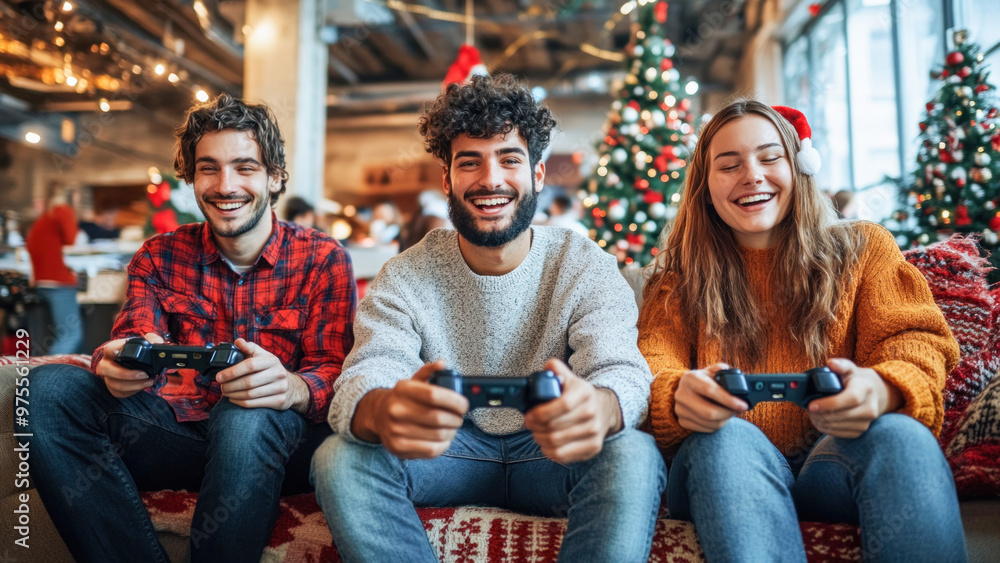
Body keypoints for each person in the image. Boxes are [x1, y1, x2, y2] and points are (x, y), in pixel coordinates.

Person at [311, 73, 665, 562]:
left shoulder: (584, 264)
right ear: (447, 180)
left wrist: (600, 408)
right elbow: (366, 373)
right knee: (339, 457)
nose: (491, 180)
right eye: (469, 162)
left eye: (509, 159)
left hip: (553, 452)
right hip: (445, 451)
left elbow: (621, 370)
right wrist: (383, 410)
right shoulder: (405, 274)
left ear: (538, 174)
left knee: (632, 452)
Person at [25, 93, 357, 562]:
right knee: (46, 390)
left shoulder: (323, 258)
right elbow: (132, 335)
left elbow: (336, 371)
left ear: (275, 177)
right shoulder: (158, 255)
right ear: (191, 178)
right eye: (208, 169)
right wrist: (116, 359)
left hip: (274, 446)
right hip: (176, 435)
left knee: (246, 411)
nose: (225, 185)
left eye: (245, 167)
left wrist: (291, 387)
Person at [637, 100, 965, 562]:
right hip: (725, 463)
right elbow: (651, 365)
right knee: (724, 440)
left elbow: (914, 339)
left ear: (799, 167)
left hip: (833, 464)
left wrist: (883, 388)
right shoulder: (677, 279)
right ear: (705, 189)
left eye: (770, 158)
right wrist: (674, 395)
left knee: (900, 437)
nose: (752, 175)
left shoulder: (864, 248)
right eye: (729, 166)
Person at [26, 182, 83, 355]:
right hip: (59, 282)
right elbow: (72, 240)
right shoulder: (63, 211)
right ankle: (51, 369)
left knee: (51, 335)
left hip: (42, 282)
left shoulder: (43, 218)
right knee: (71, 335)